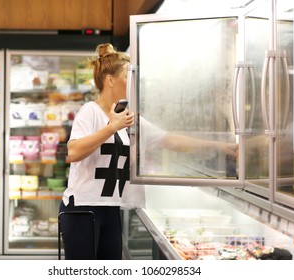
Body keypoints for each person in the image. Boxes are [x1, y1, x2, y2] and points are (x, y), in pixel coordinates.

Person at [59, 43, 237, 260]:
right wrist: (111, 127)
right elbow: (74, 152)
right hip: (82, 209)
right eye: (128, 76)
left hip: (111, 207)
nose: (134, 82)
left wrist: (222, 146)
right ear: (110, 80)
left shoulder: (129, 117)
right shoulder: (90, 112)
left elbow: (169, 140)